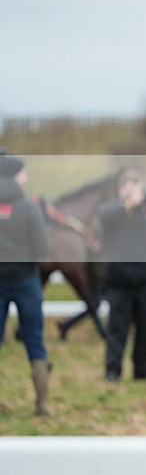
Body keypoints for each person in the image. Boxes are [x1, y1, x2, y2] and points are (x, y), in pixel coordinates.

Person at [99, 170, 146, 382]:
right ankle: (113, 370)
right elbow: (105, 218)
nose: (138, 195)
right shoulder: (113, 211)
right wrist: (128, 203)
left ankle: (142, 371)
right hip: (120, 281)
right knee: (117, 328)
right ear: (122, 190)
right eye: (132, 190)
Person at [0, 153, 51, 415]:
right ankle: (42, 404)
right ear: (15, 175)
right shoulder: (29, 206)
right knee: (34, 340)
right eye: (24, 172)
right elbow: (43, 247)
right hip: (25, 280)